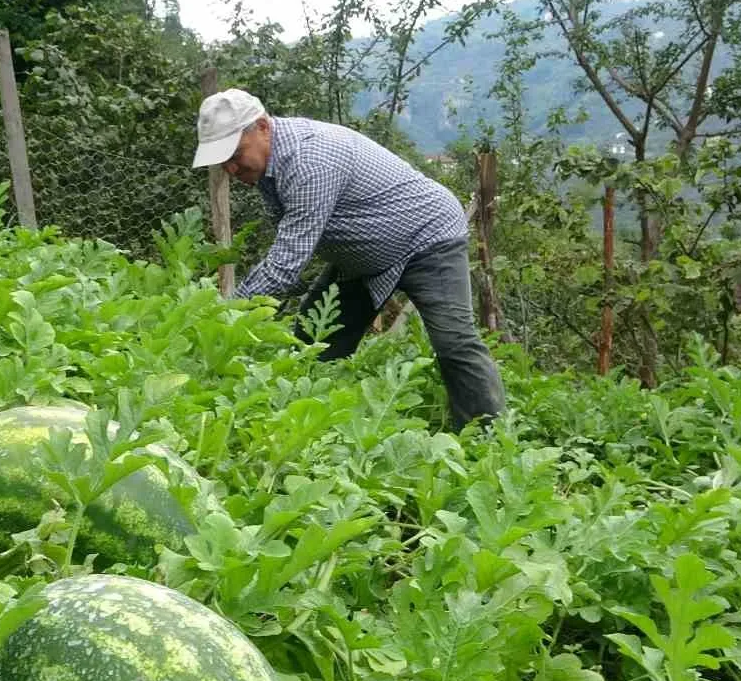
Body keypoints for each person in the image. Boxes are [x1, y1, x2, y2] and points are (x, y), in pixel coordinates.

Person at [190, 88, 506, 431]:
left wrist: (224, 317)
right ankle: (311, 427)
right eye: (223, 161)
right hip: (366, 258)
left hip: (428, 238)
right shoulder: (270, 165)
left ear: (263, 127)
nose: (232, 168)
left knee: (454, 343)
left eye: (235, 154)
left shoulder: (309, 159)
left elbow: (286, 263)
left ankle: (487, 440)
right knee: (316, 335)